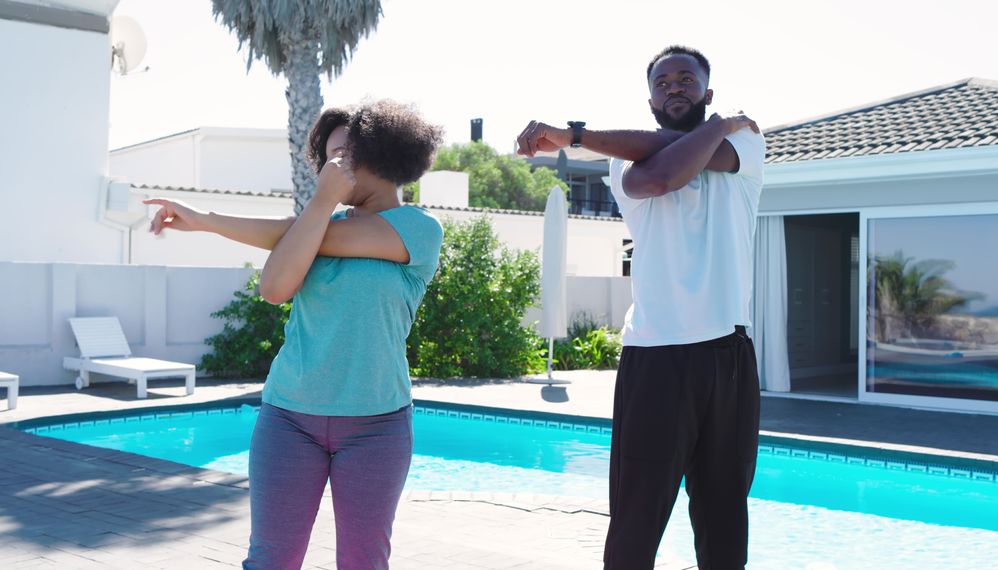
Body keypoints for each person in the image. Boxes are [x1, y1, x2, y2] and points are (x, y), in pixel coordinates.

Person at [144, 100, 445, 570]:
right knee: (269, 561)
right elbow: (273, 288)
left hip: (376, 425)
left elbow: (304, 235)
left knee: (364, 563)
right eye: (326, 156)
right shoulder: (318, 224)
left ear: (384, 154)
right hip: (288, 418)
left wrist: (312, 210)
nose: (330, 166)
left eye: (342, 154)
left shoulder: (419, 229)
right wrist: (205, 219)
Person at [516, 45, 766, 569]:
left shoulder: (745, 142)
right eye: (663, 82)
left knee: (724, 512)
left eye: (686, 79)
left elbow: (677, 153)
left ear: (707, 91)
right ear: (650, 100)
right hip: (655, 357)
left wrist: (720, 127)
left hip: (728, 356)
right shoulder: (625, 161)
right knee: (637, 513)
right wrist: (718, 123)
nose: (675, 87)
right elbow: (658, 175)